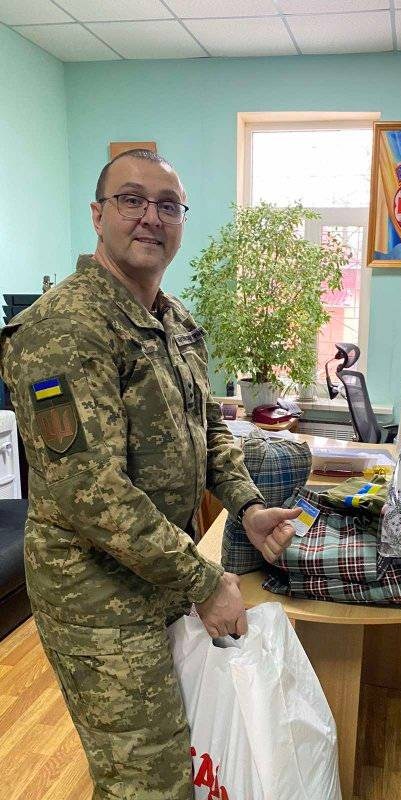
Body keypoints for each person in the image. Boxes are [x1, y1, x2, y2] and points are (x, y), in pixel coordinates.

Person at [0, 148, 300, 799]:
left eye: (168, 205)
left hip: (160, 577)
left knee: (176, 756)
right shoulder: (62, 329)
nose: (150, 217)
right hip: (96, 596)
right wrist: (205, 581)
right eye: (131, 200)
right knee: (148, 782)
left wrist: (247, 505)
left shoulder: (175, 321)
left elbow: (208, 430)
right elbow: (91, 493)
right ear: (98, 215)